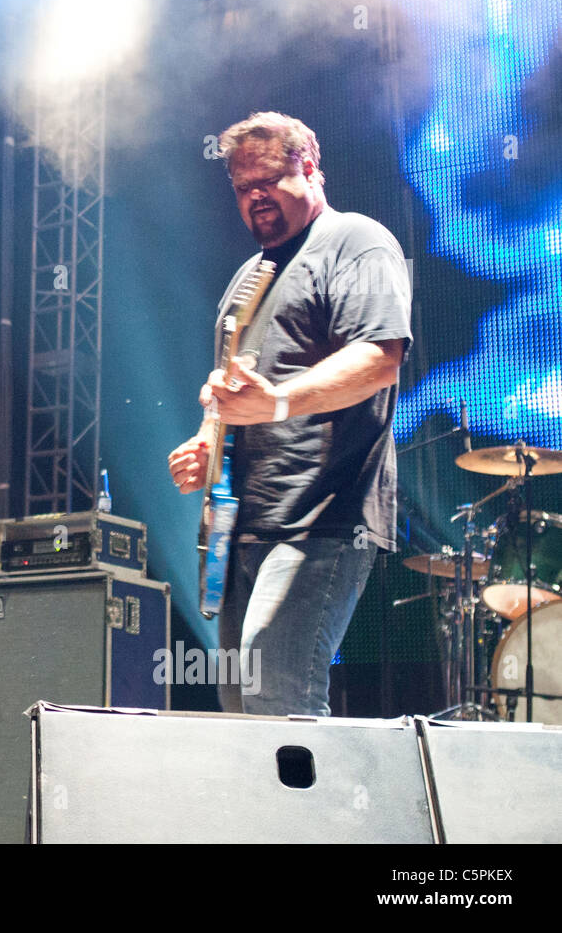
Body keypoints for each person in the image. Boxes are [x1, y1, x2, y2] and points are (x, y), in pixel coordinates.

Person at [167, 112, 411, 717]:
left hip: (324, 519)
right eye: (242, 187)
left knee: (277, 696)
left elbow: (379, 357)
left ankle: (326, 814)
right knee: (240, 711)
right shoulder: (247, 280)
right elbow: (227, 393)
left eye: (269, 179)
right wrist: (206, 442)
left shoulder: (358, 241)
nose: (256, 197)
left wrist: (274, 402)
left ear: (310, 166)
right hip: (241, 527)